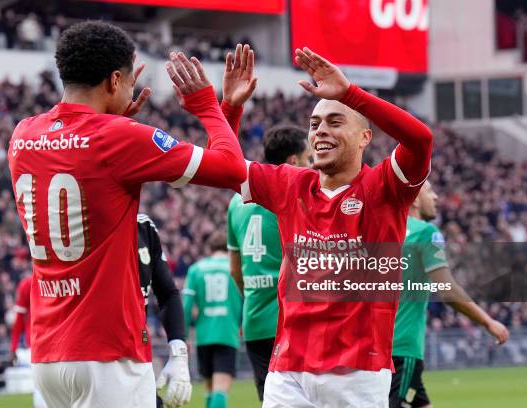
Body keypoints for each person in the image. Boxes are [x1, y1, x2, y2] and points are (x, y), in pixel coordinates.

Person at [7, 21, 247, 408]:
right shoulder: (120, 137)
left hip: (49, 355)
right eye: (129, 83)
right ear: (115, 81)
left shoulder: (22, 134)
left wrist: (118, 120)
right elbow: (233, 170)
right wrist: (210, 105)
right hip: (107, 354)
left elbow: (83, 161)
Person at [230, 47, 433, 407]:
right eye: (314, 124)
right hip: (287, 371)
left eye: (335, 121)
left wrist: (350, 94)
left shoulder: (385, 187)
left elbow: (420, 140)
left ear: (364, 138)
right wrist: (229, 109)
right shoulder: (291, 184)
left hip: (358, 374)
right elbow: (225, 166)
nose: (320, 130)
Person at [390, 181, 510, 408]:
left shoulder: (384, 230)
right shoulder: (426, 232)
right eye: (430, 191)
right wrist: (488, 322)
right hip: (402, 348)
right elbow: (448, 290)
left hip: (381, 346)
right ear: (414, 199)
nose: (435, 197)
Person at [227, 124, 310, 402]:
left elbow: (235, 270)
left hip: (254, 320)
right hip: (291, 320)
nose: (313, 165)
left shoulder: (236, 202)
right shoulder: (293, 195)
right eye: (309, 159)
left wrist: (254, 294)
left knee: (271, 401)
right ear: (294, 161)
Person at [136, 213, 190, 407]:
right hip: (95, 354)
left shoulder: (143, 226)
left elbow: (169, 293)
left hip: (134, 355)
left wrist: (178, 351)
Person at [182, 231, 242, 408]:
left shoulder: (196, 269)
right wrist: (242, 323)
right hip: (227, 334)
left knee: (209, 388)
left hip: (203, 335)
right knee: (221, 388)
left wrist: (183, 336)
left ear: (210, 248)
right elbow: (247, 298)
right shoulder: (236, 268)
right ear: (229, 249)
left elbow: (186, 305)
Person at [9, 273, 47, 408]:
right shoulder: (27, 283)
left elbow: (19, 319)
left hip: (40, 340)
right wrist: (13, 347)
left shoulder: (27, 283)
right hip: (42, 341)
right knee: (41, 385)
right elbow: (19, 318)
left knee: (41, 385)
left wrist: (13, 348)